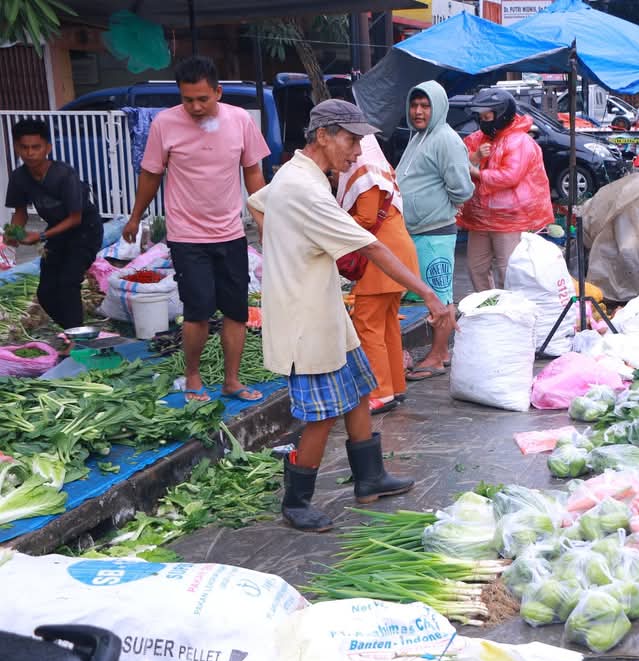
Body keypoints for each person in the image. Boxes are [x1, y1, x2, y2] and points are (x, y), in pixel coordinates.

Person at [246, 99, 454, 532]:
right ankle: (297, 499)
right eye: (352, 139)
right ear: (323, 135)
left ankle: (369, 477)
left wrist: (284, 247)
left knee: (360, 387)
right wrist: (431, 297)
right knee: (322, 413)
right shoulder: (304, 188)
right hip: (305, 316)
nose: (357, 151)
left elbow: (256, 202)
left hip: (325, 308)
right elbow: (372, 247)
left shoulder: (296, 172)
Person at [123, 55, 269, 403]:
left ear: (218, 92)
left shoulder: (240, 121)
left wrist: (264, 216)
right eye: (187, 99)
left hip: (231, 233)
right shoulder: (164, 124)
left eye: (203, 98)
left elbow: (252, 171)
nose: (195, 106)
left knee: (236, 311)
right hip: (186, 237)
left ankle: (232, 381)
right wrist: (135, 217)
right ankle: (192, 377)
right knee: (198, 311)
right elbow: (151, 174)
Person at [396, 81, 475, 383]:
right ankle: (439, 352)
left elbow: (462, 188)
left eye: (425, 105)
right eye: (414, 105)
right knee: (430, 294)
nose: (418, 111)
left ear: (438, 107)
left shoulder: (445, 139)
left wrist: (443, 206)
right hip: (416, 231)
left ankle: (438, 354)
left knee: (440, 296)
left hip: (435, 232)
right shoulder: (418, 137)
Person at [338, 135, 419, 415]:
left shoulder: (366, 174)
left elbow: (367, 219)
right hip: (395, 251)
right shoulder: (381, 170)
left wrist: (328, 222)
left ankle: (379, 392)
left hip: (380, 256)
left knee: (368, 325)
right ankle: (395, 386)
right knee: (386, 324)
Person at [3, 119, 103, 330]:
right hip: (57, 232)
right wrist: (13, 234)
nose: (30, 153)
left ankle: (75, 339)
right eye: (24, 147)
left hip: (85, 230)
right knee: (46, 293)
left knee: (68, 282)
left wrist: (39, 237)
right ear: (16, 147)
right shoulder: (19, 178)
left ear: (47, 147)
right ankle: (75, 332)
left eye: (36, 147)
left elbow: (76, 218)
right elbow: (20, 213)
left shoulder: (64, 174)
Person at [458, 88, 554, 293]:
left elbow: (510, 176)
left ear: (501, 114)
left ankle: (512, 311)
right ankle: (487, 309)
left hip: (509, 219)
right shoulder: (477, 139)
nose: (483, 121)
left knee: (507, 270)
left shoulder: (520, 142)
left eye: (487, 116)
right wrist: (475, 158)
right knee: (477, 268)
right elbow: (459, 162)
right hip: (480, 219)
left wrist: (477, 173)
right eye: (481, 117)